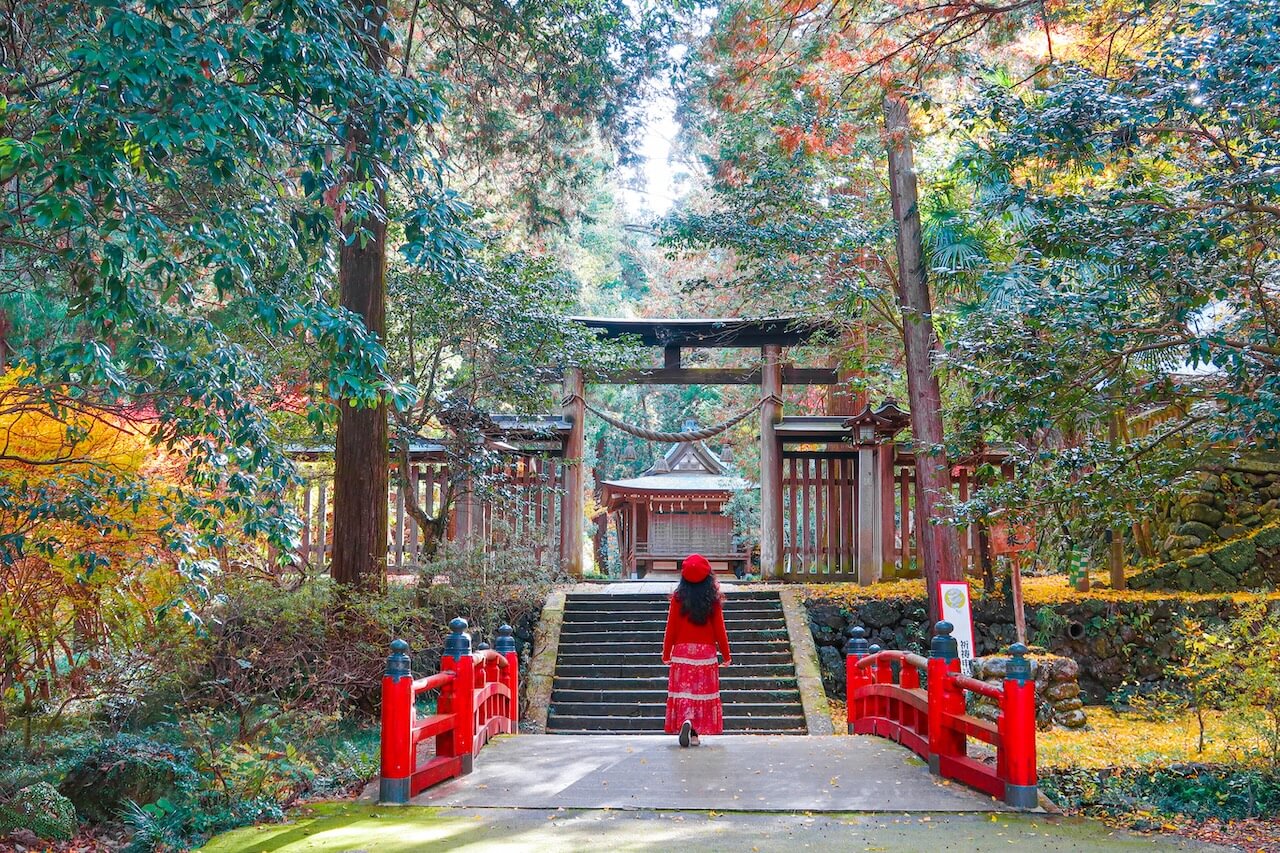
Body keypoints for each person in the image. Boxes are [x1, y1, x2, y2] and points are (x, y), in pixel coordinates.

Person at [661, 553, 732, 747]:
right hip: (706, 653)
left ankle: (686, 720)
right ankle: (694, 735)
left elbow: (671, 627)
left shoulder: (677, 598)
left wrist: (666, 653)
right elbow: (719, 628)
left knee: (685, 693)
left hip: (682, 652)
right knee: (700, 694)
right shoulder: (713, 599)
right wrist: (726, 655)